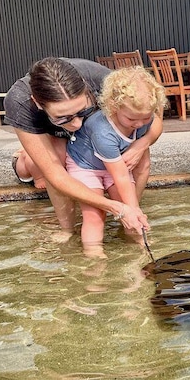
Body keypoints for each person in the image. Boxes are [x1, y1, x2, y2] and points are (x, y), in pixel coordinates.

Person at [4, 57, 161, 234]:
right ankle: (67, 229)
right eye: (64, 117)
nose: (77, 123)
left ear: (87, 90)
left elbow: (152, 120)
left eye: (83, 111)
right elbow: (56, 175)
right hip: (52, 138)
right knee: (49, 158)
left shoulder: (100, 79)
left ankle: (133, 220)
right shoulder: (19, 102)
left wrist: (140, 146)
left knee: (140, 155)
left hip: (86, 141)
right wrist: (114, 207)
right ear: (38, 103)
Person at [65, 66, 166, 257]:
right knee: (95, 214)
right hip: (85, 167)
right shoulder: (103, 131)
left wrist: (133, 210)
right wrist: (133, 209)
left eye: (146, 117)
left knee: (128, 207)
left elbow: (153, 128)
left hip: (113, 163)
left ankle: (138, 242)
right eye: (131, 119)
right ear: (113, 106)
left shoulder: (144, 118)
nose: (139, 124)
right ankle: (94, 253)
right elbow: (120, 176)